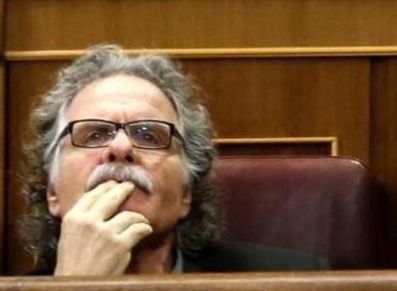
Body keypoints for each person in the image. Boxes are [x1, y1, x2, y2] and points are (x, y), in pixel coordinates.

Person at [19, 45, 325, 274]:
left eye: (149, 135)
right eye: (94, 134)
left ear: (186, 194)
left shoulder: (291, 280)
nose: (122, 147)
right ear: (52, 192)